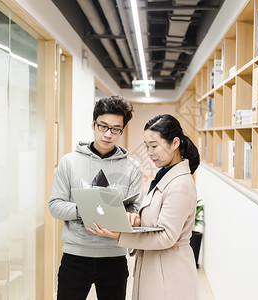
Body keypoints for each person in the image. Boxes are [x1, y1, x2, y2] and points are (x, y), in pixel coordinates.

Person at [89, 114, 200, 300]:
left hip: (169, 272)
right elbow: (158, 220)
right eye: (147, 146)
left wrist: (119, 235)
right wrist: (137, 220)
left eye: (154, 146)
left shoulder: (180, 184)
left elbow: (166, 236)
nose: (149, 152)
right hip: (157, 266)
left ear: (174, 143)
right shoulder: (165, 175)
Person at [48, 95, 143, 300]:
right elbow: (55, 205)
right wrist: (84, 209)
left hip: (114, 258)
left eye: (116, 129)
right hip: (75, 257)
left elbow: (136, 209)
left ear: (122, 130)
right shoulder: (69, 162)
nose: (108, 134)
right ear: (93, 124)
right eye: (103, 126)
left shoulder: (132, 167)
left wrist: (131, 217)